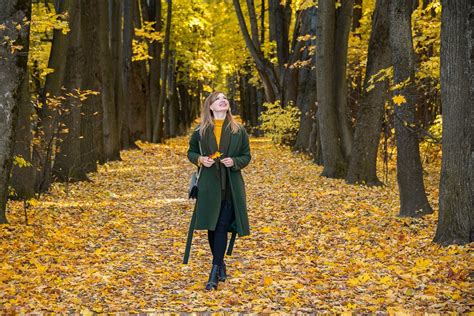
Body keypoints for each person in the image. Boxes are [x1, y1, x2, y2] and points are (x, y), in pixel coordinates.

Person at [183, 91, 252, 290]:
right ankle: (221, 263)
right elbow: (191, 152)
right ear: (211, 107)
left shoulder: (238, 130)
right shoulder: (201, 131)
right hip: (209, 187)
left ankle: (214, 272)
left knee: (221, 226)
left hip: (231, 186)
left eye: (224, 99)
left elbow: (246, 155)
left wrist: (235, 161)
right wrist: (200, 159)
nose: (222, 101)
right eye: (217, 99)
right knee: (212, 228)